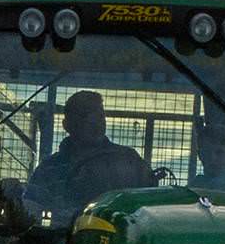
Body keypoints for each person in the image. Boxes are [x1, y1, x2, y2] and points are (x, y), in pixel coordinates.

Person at [24, 90, 154, 226]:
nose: (93, 121)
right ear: (66, 125)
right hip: (63, 242)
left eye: (99, 115)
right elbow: (31, 211)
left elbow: (149, 206)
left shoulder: (128, 160)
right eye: (84, 115)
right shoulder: (48, 169)